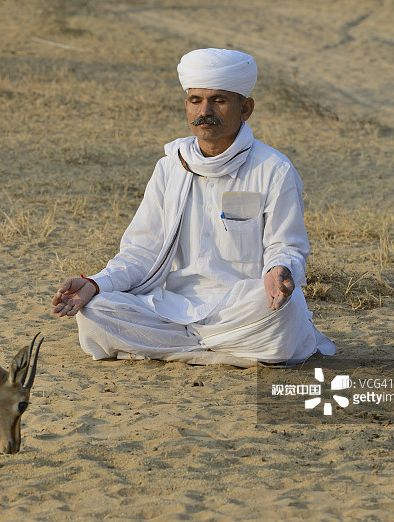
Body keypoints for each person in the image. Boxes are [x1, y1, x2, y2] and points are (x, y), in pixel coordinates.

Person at [51, 48, 335, 367]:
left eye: (219, 100)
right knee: (95, 311)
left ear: (246, 108)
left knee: (287, 311)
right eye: (196, 100)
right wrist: (95, 283)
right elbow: (141, 252)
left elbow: (286, 245)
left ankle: (179, 349)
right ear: (186, 105)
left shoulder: (273, 170)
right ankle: (217, 351)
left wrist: (278, 271)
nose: (205, 111)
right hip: (174, 308)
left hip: (242, 308)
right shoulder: (170, 168)